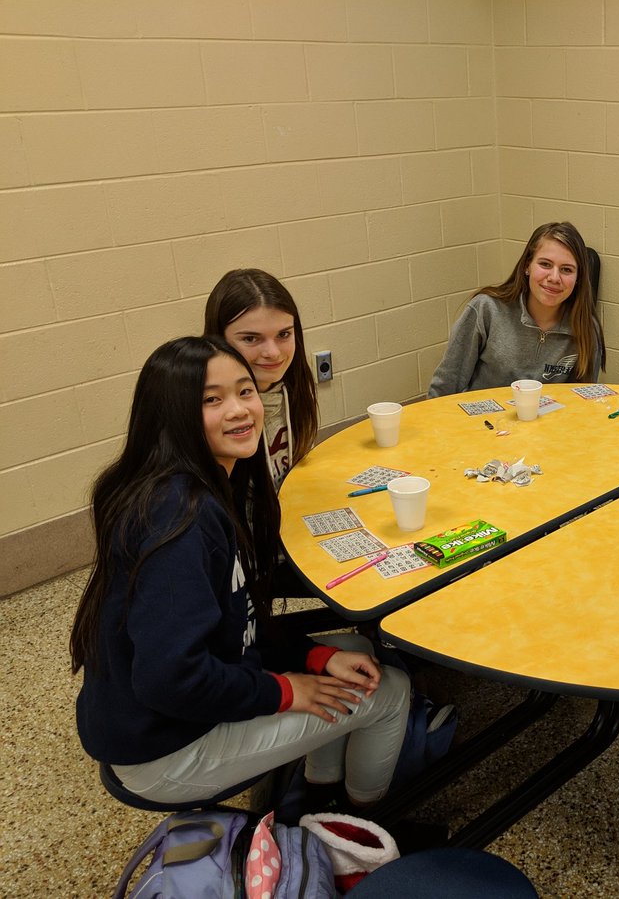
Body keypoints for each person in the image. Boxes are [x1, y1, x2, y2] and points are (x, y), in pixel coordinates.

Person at [70, 336, 411, 811]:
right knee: (391, 693)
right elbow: (170, 679)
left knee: (350, 652)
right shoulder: (179, 515)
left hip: (163, 716)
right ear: (171, 415)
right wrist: (287, 690)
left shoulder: (203, 487)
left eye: (245, 392)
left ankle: (317, 796)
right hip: (162, 751)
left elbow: (238, 622)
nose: (239, 410)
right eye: (211, 399)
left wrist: (312, 661)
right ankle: (362, 822)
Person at [427, 221, 605, 397]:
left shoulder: (586, 328)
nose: (554, 277)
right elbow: (445, 386)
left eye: (566, 270)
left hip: (547, 424)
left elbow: (583, 402)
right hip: (482, 422)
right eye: (545, 264)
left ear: (578, 278)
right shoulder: (486, 309)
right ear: (527, 266)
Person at [205, 269, 319, 491]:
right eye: (251, 338)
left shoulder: (293, 384)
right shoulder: (210, 413)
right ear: (219, 340)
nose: (273, 353)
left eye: (284, 334)